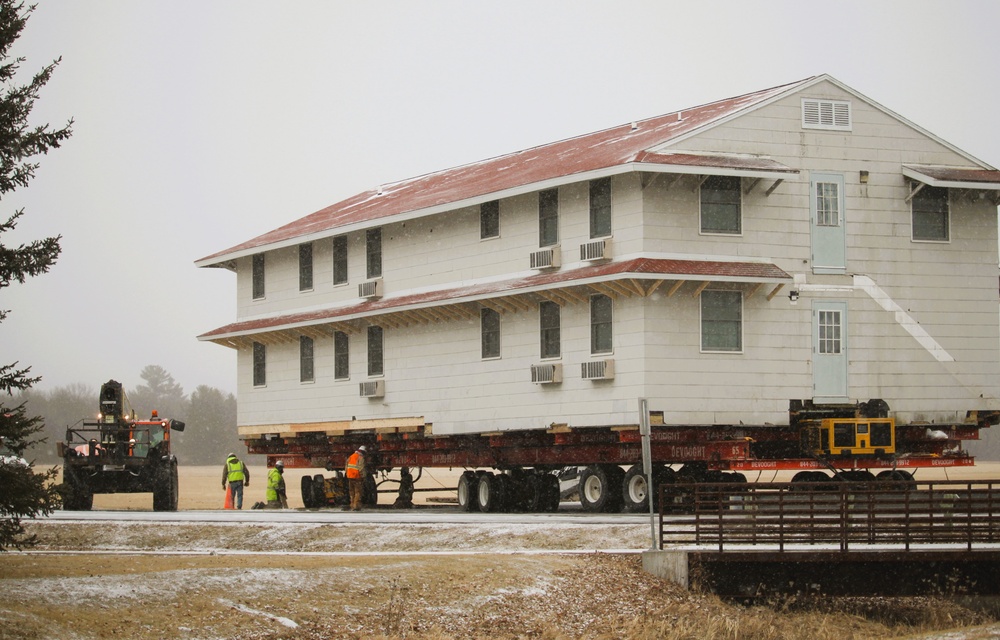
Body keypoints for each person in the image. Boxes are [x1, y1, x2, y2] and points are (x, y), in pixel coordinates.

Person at [345, 445, 367, 511]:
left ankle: (352, 504)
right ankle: (356, 506)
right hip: (357, 477)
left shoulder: (351, 457)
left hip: (350, 477)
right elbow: (361, 468)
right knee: (358, 492)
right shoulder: (360, 458)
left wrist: (348, 474)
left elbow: (346, 466)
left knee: (351, 492)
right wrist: (363, 476)